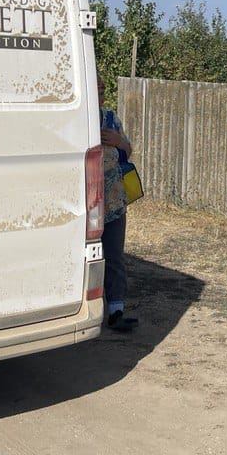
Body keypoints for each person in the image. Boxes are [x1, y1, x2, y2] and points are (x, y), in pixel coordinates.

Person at [99, 82, 138, 333]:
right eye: (97, 88)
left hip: (113, 202)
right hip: (83, 203)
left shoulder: (111, 118)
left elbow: (129, 150)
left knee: (114, 257)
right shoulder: (75, 117)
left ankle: (116, 311)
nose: (101, 92)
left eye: (103, 89)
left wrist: (118, 140)